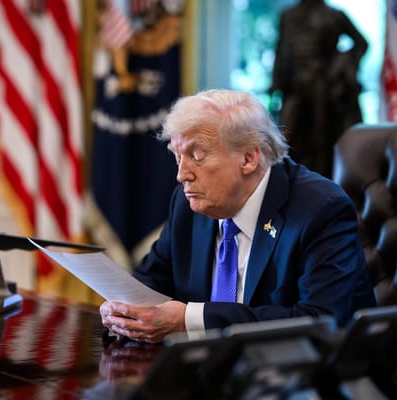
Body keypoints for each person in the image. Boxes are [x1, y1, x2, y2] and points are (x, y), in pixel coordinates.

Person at [99, 89, 375, 343]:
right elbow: (151, 280)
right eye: (177, 156)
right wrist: (124, 309)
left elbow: (321, 321)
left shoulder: (320, 209)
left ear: (248, 159)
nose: (182, 175)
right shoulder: (188, 205)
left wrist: (188, 320)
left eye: (196, 156)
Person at [269, 0, 368, 177]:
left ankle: (323, 182)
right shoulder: (288, 15)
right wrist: (276, 83)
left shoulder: (335, 15)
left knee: (322, 141)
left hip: (322, 87)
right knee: (285, 138)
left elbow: (361, 43)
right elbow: (281, 50)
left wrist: (340, 66)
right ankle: (288, 184)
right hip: (295, 87)